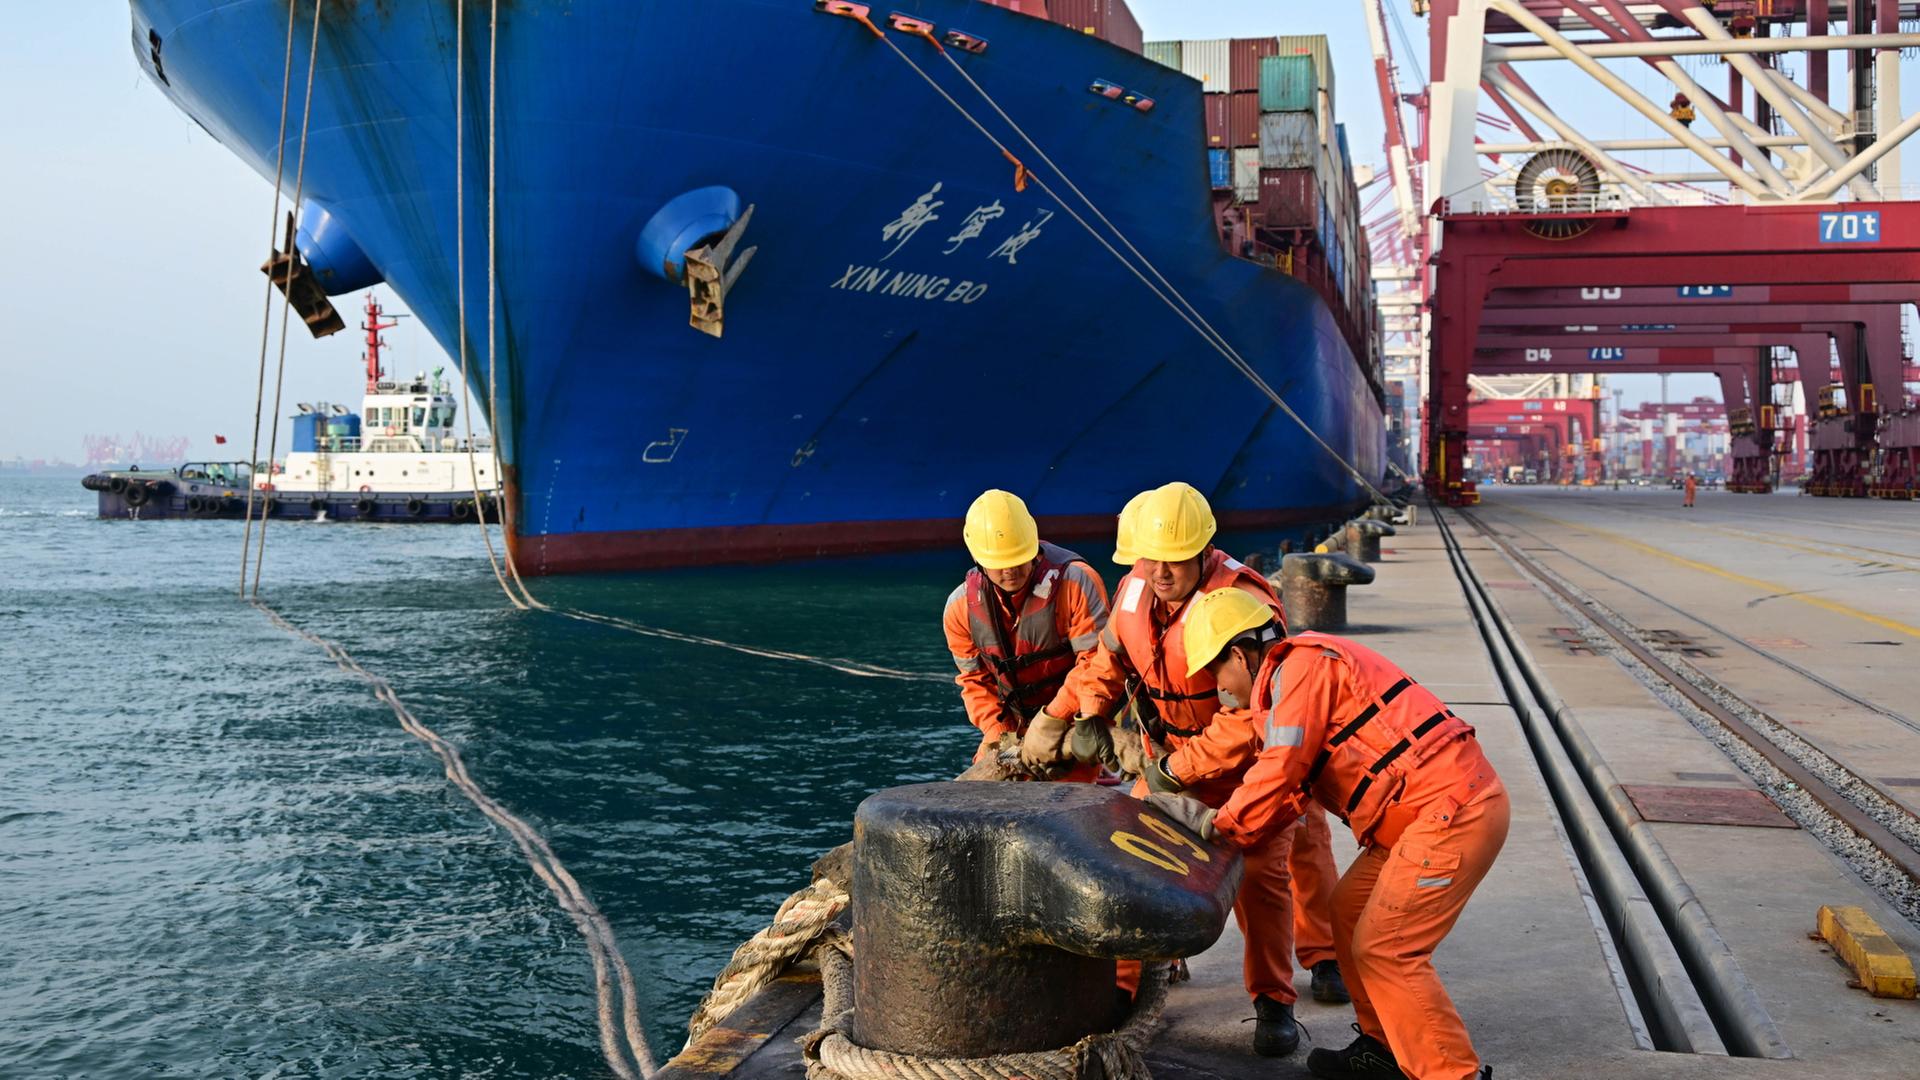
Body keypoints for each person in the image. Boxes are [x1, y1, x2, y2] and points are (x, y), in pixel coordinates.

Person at [1151, 588, 1509, 1080]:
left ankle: (1451, 1074)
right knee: (1347, 913)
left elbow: (1279, 769)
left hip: (1450, 812)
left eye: (1216, 671)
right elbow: (1290, 792)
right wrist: (1198, 806)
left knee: (1388, 948)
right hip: (1416, 819)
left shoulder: (1301, 670)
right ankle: (1385, 1050)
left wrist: (1219, 825)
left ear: (1239, 653)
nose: (1220, 687)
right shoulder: (1291, 685)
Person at [1072, 482, 1346, 1057]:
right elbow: (1109, 657)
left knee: (1268, 878)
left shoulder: (1246, 602)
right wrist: (1086, 713)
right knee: (1133, 861)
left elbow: (1254, 713)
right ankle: (1124, 988)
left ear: (1204, 551)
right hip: (1170, 758)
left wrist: (1178, 767)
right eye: (1151, 559)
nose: (1162, 572)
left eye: (1175, 559)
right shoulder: (1134, 589)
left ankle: (1279, 998)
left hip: (1249, 767)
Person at [942, 490, 1111, 781]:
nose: (1010, 570)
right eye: (999, 563)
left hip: (1071, 723)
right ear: (979, 558)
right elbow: (973, 681)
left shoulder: (1077, 583)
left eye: (1018, 558)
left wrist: (1053, 718)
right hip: (1010, 727)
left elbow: (1096, 664)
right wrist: (998, 734)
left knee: (1068, 804)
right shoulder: (959, 608)